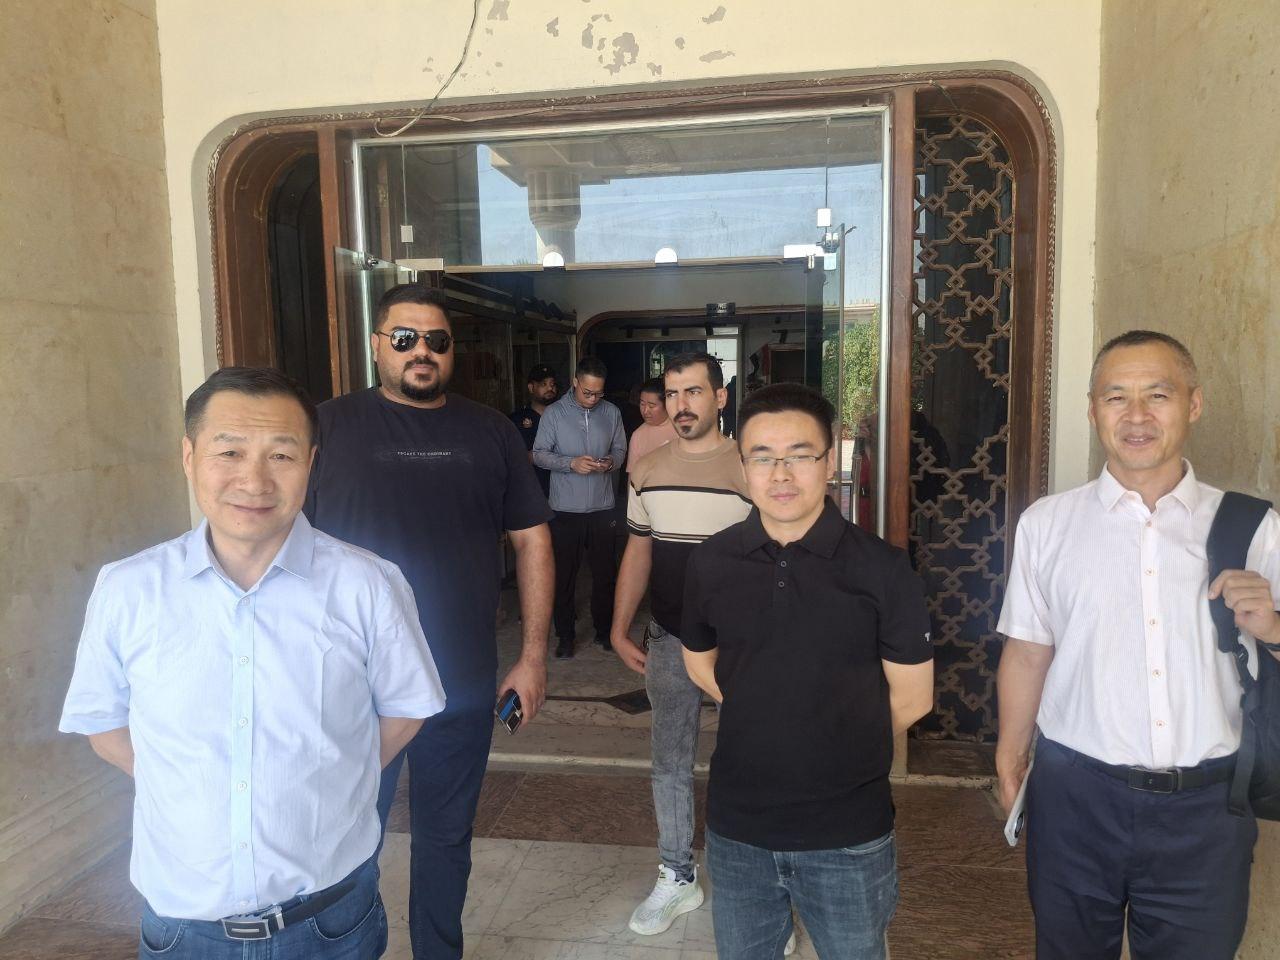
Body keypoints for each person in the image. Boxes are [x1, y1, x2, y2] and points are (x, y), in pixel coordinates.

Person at [58, 367, 446, 960]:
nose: (254, 479)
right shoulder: (129, 588)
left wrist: (326, 777)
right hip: (183, 927)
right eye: (229, 451)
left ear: (310, 463)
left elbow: (406, 709)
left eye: (281, 455)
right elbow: (103, 724)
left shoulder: (367, 584)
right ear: (189, 457)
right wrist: (188, 781)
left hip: (331, 920)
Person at [996, 330, 1280, 960]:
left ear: (1193, 404)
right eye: (1116, 397)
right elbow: (1029, 650)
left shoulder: (1253, 527)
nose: (1137, 416)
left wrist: (1274, 629)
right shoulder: (1048, 524)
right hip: (1075, 797)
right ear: (1092, 410)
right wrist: (1010, 758)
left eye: (1158, 394)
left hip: (1208, 809)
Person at [305, 284, 554, 960]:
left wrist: (532, 657)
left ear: (451, 351)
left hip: (459, 681)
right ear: (376, 346)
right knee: (347, 838)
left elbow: (532, 539)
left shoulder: (490, 431)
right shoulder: (326, 427)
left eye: (436, 341)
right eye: (405, 338)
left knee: (446, 839)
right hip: (350, 686)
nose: (422, 351)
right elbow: (284, 544)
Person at [681, 383, 934, 960]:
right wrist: (763, 711)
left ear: (829, 459)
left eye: (800, 455)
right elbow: (700, 661)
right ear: (742, 465)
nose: (781, 474)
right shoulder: (711, 561)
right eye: (762, 457)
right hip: (738, 828)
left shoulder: (883, 569)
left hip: (847, 832)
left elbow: (913, 697)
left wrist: (832, 737)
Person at [609, 353, 753, 935]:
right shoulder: (647, 469)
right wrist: (619, 627)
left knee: (751, 759)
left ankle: (752, 884)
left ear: (720, 397)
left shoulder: (750, 466)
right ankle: (677, 874)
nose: (681, 405)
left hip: (742, 644)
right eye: (672, 394)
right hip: (669, 638)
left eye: (693, 392)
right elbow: (639, 549)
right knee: (669, 759)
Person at [533, 356, 627, 659]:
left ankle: (604, 631)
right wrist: (570, 463)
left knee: (605, 574)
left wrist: (611, 462)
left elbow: (620, 449)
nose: (593, 399)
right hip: (565, 510)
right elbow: (539, 454)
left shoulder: (611, 412)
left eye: (599, 393)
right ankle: (565, 636)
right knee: (564, 576)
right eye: (587, 392)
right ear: (575, 382)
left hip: (603, 507)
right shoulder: (554, 414)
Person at [510, 363, 558, 498]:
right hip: (531, 492)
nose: (550, 388)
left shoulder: (564, 418)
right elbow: (511, 458)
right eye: (543, 384)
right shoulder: (516, 420)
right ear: (531, 387)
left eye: (553, 384)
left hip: (562, 492)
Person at [625, 377, 679, 471]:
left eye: (651, 406)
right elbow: (633, 473)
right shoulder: (638, 435)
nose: (645, 411)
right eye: (642, 404)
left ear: (667, 404)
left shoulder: (682, 429)